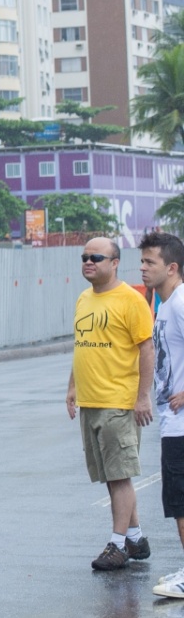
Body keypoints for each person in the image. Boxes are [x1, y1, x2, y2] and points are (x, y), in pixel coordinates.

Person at [69, 236, 156, 570]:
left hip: (118, 401)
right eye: (85, 257)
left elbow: (146, 349)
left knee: (120, 475)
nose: (89, 262)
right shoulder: (83, 299)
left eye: (97, 257)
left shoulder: (130, 300)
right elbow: (82, 345)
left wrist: (142, 396)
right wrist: (72, 386)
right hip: (91, 400)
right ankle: (134, 537)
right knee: (111, 474)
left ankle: (117, 545)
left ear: (115, 263)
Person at [142, 232, 184, 597]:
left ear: (171, 268)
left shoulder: (182, 302)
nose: (142, 268)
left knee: (182, 500)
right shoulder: (164, 303)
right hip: (173, 423)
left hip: (183, 423)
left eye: (149, 262)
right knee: (178, 500)